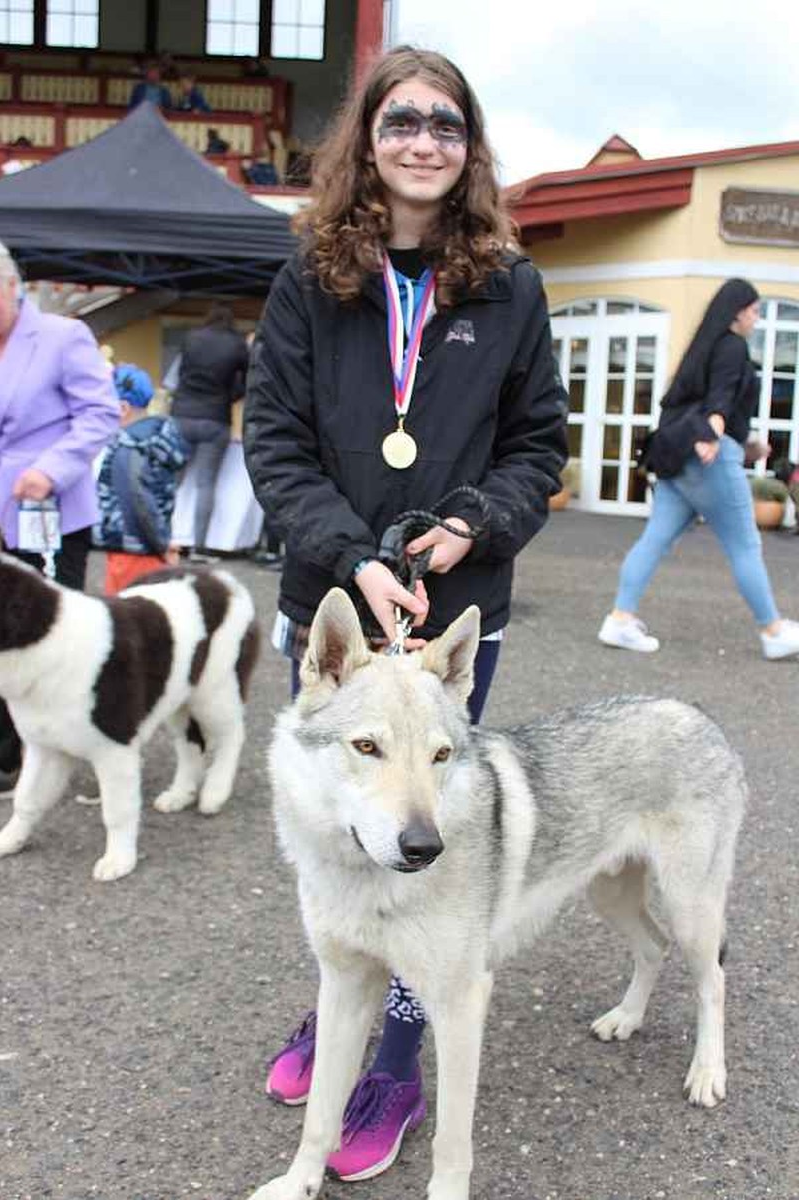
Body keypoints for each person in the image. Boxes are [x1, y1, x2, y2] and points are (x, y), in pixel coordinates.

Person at [243, 46, 568, 1183]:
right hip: (334, 601)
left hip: (451, 610)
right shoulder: (310, 277)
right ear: (365, 139)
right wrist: (345, 554)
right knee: (343, 823)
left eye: (445, 122)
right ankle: (343, 995)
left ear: (469, 146)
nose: (422, 139)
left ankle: (396, 1046)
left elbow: (540, 445)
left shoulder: (508, 285)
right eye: (400, 120)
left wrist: (473, 522)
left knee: (425, 835)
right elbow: (272, 441)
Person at [599, 278, 799, 660]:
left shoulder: (702, 348)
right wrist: (714, 432)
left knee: (655, 539)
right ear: (738, 311)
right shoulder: (732, 345)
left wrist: (746, 443)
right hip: (709, 455)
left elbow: (686, 403)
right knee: (745, 543)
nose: (756, 319)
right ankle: (773, 630)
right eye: (755, 311)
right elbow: (720, 398)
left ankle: (620, 619)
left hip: (680, 460)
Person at [0, 243, 118, 794]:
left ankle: (56, 746)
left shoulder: (61, 336)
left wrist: (51, 467)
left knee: (46, 636)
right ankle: (7, 753)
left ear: (10, 287)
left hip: (45, 510)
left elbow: (99, 415)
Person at [93, 362, 188, 595]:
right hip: (145, 547)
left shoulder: (129, 447)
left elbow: (138, 502)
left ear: (123, 408)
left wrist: (160, 546)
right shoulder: (157, 437)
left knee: (128, 620)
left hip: (134, 549)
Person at [170, 304, 249, 560]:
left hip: (182, 414)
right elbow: (247, 382)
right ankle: (199, 547)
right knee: (206, 484)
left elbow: (179, 375)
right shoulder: (237, 344)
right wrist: (230, 395)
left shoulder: (191, 337)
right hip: (215, 418)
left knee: (172, 480)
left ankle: (165, 537)